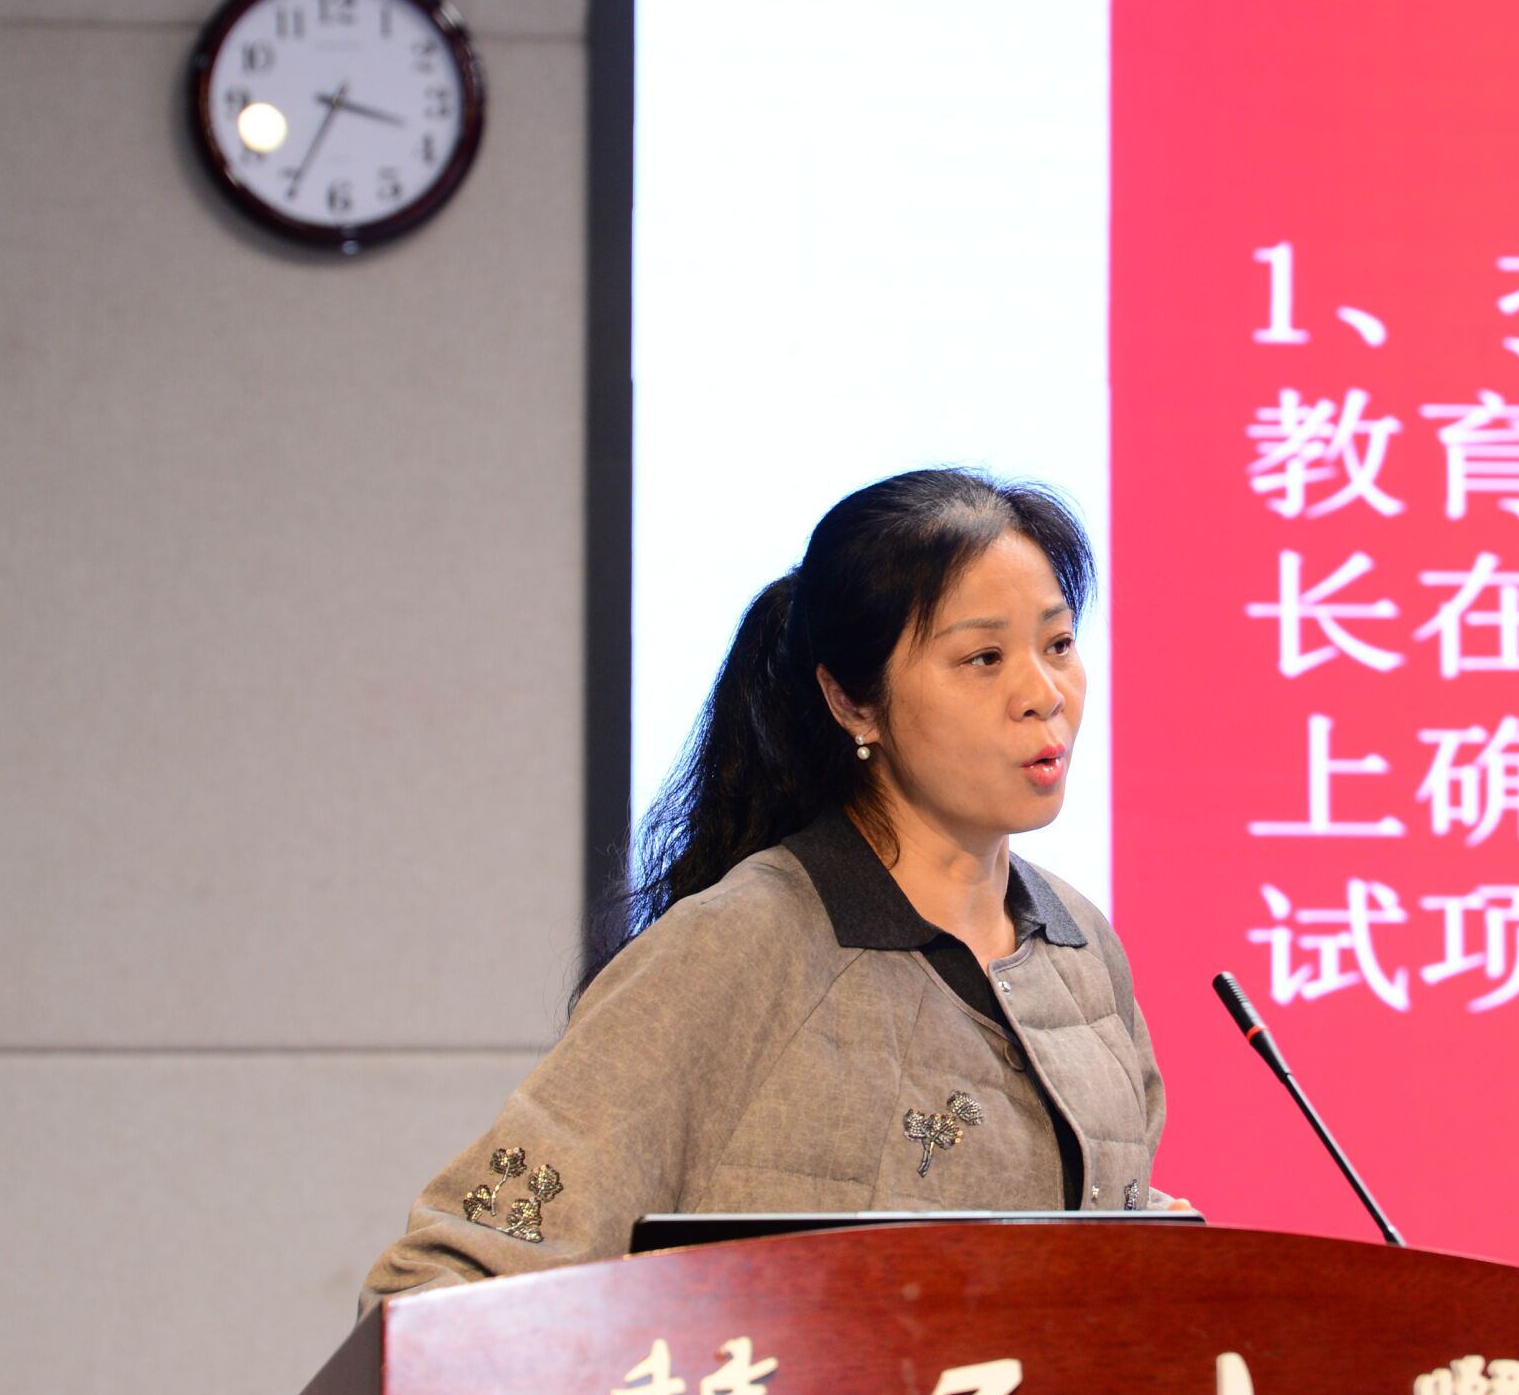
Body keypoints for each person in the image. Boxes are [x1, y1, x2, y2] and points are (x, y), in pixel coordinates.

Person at [359, 467, 1183, 1312]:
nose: (1044, 695)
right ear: (852, 701)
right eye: (984, 658)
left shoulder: (1081, 945)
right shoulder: (739, 944)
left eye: (1058, 644)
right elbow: (445, 1283)